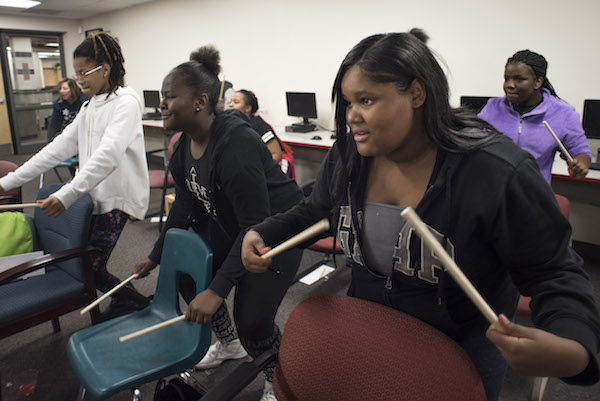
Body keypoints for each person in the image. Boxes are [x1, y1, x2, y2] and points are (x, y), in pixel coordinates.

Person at [241, 31, 600, 401]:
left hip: (461, 348)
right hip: (370, 326)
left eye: (366, 100)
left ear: (416, 93)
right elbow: (319, 209)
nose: (351, 116)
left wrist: (573, 345)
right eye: (348, 102)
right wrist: (269, 231)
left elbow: (556, 272)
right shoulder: (350, 153)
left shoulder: (495, 171)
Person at [132, 45, 304, 401]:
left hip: (276, 231)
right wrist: (156, 254)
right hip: (238, 224)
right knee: (185, 276)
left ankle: (278, 379)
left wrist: (217, 289)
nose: (161, 104)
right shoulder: (184, 145)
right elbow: (184, 206)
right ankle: (230, 345)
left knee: (253, 321)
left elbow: (256, 226)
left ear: (200, 101)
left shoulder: (234, 144)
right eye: (162, 97)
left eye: (169, 97)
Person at [0, 32, 150, 318]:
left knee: (90, 266)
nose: (79, 80)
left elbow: (107, 156)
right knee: (87, 264)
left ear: (105, 69)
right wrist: (5, 184)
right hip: (89, 196)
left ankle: (137, 303)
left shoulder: (126, 102)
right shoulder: (90, 105)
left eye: (84, 73)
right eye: (77, 73)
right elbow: (56, 149)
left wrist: (67, 193)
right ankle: (127, 302)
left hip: (115, 199)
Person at [478, 50, 591, 184]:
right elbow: (474, 139)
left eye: (519, 79)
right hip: (493, 190)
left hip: (532, 195)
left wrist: (580, 165)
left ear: (538, 82)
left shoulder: (563, 113)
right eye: (507, 78)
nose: (510, 85)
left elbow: (580, 151)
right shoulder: (492, 107)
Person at [229, 89, 295, 178]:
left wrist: (256, 169)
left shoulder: (260, 127)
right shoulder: (233, 125)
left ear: (248, 108)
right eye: (230, 101)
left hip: (269, 171)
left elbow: (276, 155)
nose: (230, 105)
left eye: (235, 102)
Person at [47, 77, 88, 142]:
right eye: (60, 89)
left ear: (72, 89)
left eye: (65, 89)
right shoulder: (59, 103)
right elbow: (54, 124)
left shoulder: (84, 100)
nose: (61, 91)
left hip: (84, 130)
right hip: (68, 131)